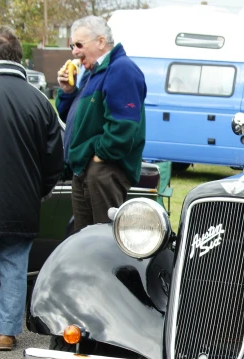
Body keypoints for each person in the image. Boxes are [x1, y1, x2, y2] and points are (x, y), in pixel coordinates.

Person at [0, 26, 64, 350]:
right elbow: (55, 158)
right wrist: (38, 190)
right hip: (21, 203)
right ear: (19, 58)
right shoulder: (41, 103)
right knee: (14, 269)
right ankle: (5, 334)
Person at [56, 16, 147, 231]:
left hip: (103, 171)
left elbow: (124, 126)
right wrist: (68, 92)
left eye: (79, 45)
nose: (74, 52)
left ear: (100, 41)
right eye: (72, 46)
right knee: (83, 242)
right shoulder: (94, 72)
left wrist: (98, 157)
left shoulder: (121, 69)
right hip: (87, 169)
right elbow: (73, 118)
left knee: (104, 241)